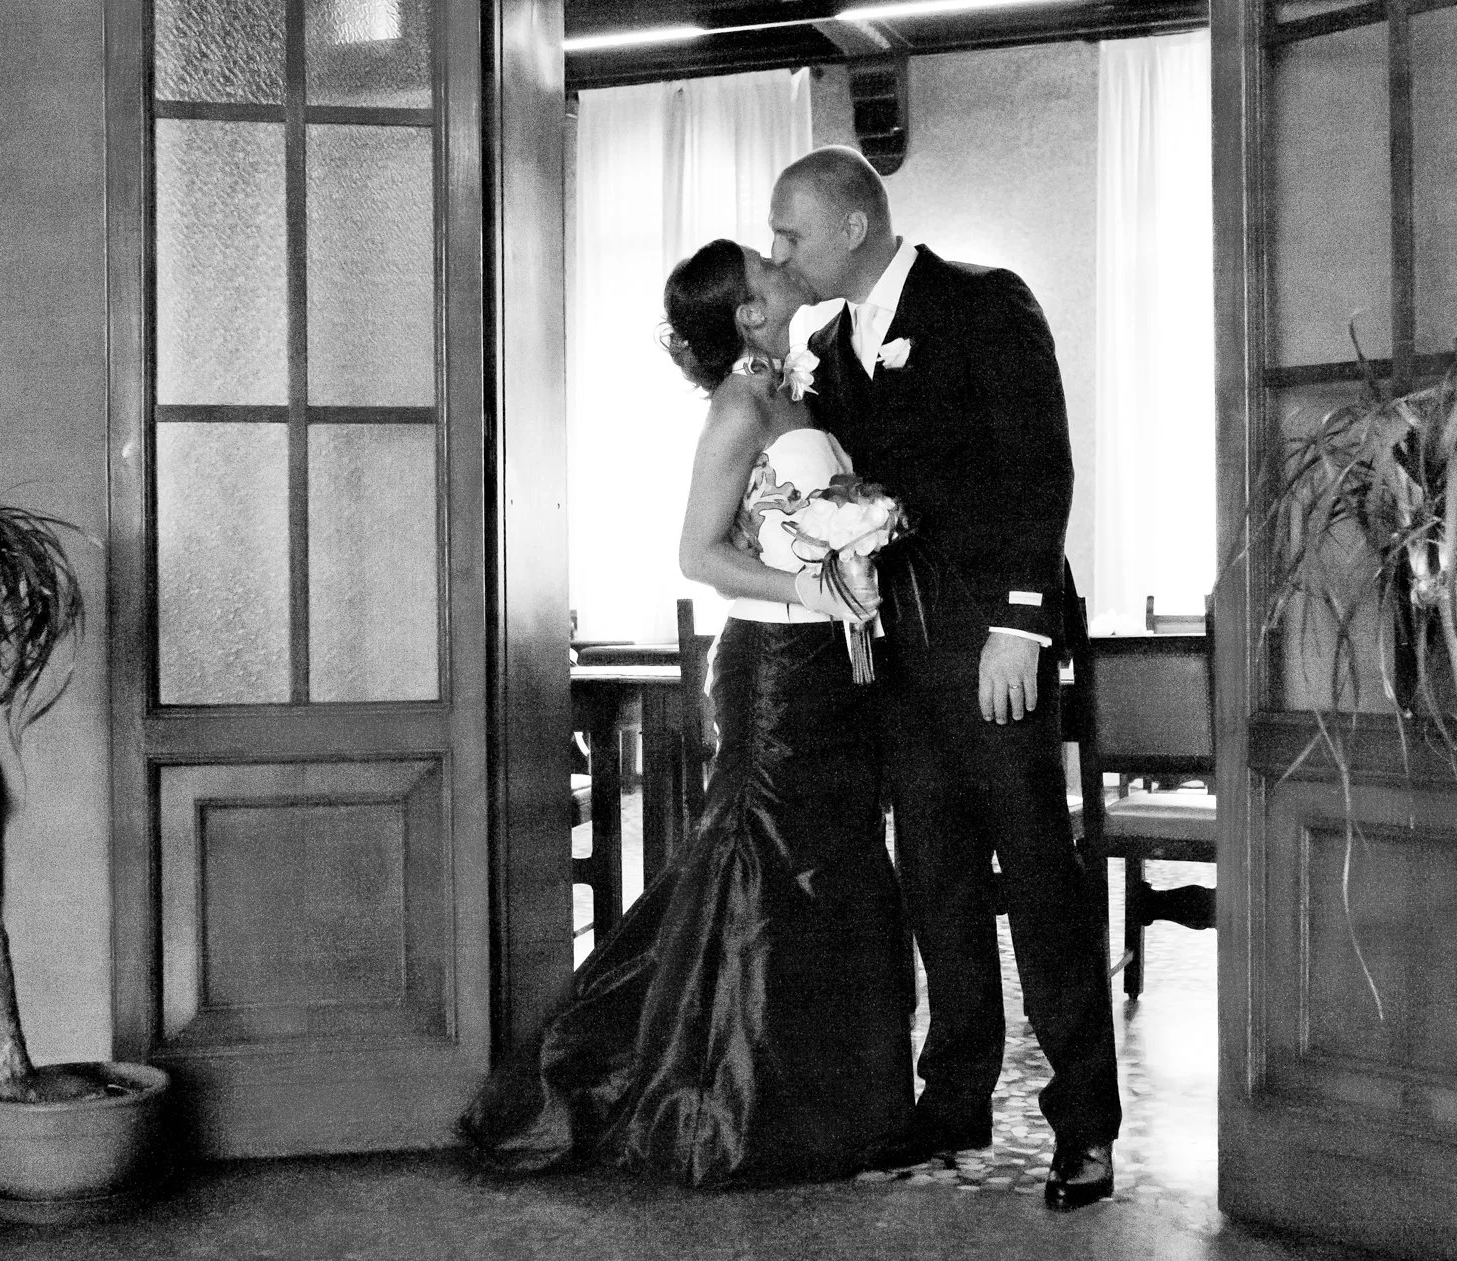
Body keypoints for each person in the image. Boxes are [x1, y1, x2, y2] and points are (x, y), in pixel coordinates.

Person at [457, 238, 914, 1188]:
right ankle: (710, 1106)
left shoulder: (800, 389)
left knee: (829, 865)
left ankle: (826, 1106)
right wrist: (814, 585)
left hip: (834, 669)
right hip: (776, 669)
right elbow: (698, 555)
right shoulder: (742, 407)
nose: (784, 264)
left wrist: (851, 553)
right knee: (757, 864)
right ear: (748, 315)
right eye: (767, 265)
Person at [769, 146, 1121, 1210]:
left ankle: (1084, 1128)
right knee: (935, 883)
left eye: (791, 234)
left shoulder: (981, 301)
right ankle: (951, 1105)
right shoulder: (827, 346)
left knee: (1039, 882)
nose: (781, 252)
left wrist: (1023, 624)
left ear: (851, 226)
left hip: (992, 649)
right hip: (899, 667)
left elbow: (1039, 465)